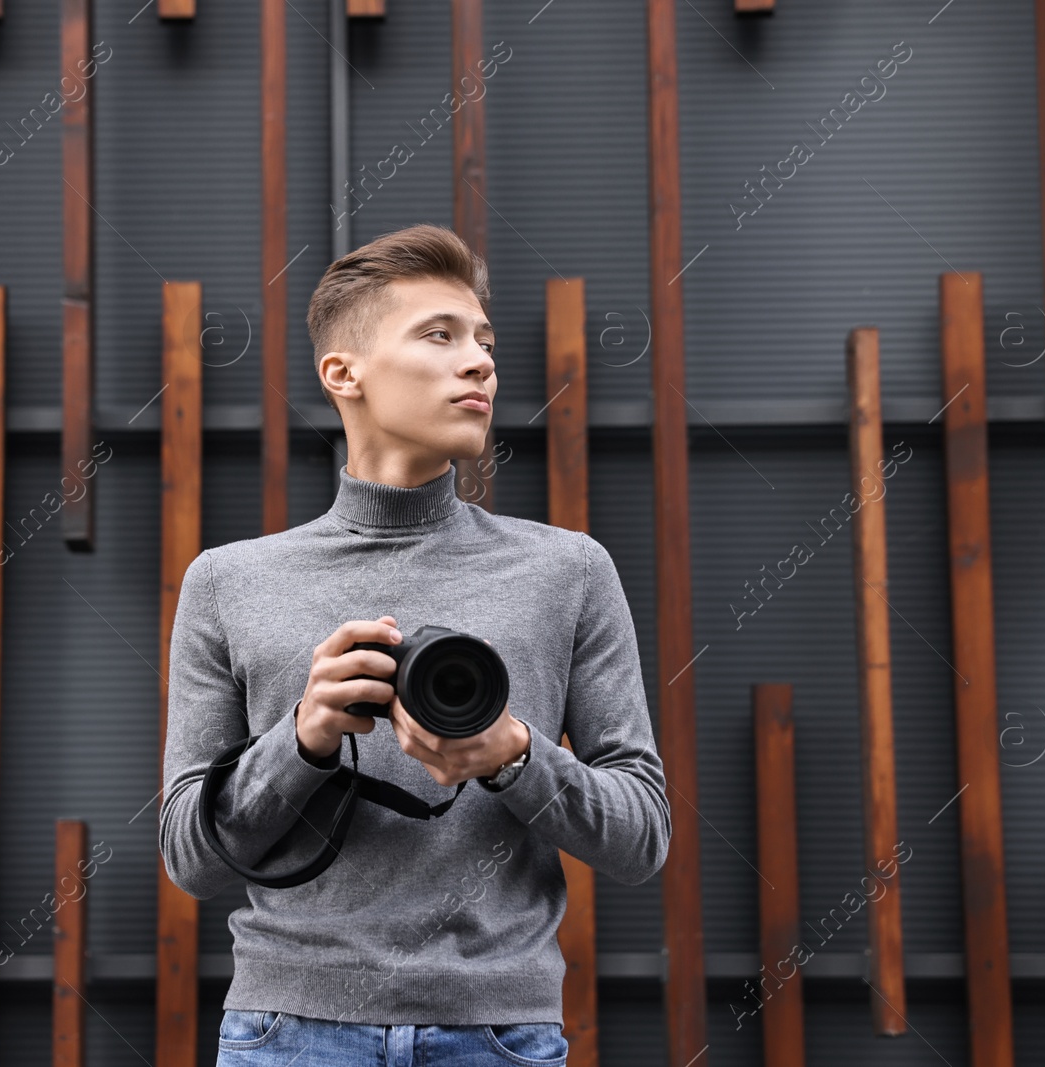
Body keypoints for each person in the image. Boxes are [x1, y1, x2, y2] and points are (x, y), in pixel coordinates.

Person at [159, 223, 671, 1066]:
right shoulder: (228, 581)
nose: (480, 363)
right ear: (343, 372)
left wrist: (510, 753)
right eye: (439, 335)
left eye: (484, 341)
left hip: (500, 1033)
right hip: (286, 1033)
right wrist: (303, 740)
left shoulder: (568, 569)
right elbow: (191, 858)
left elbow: (642, 836)